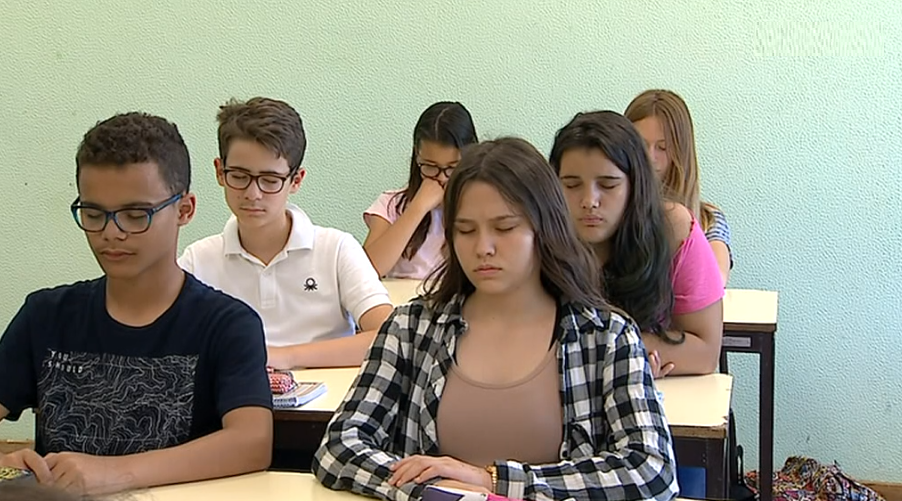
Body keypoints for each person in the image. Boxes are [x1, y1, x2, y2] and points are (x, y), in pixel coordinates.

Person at [314, 137, 678, 501]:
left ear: (545, 228)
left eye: (504, 228)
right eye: (465, 230)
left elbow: (652, 468)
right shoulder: (411, 328)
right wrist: (432, 489)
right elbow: (339, 447)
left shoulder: (605, 335)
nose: (483, 248)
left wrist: (492, 483)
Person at [0, 113, 273, 495]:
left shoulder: (226, 324)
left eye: (135, 215)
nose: (111, 233)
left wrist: (111, 473)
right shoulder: (46, 315)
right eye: (93, 214)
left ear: (184, 210)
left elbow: (252, 443)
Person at [179, 97, 393, 369]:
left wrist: (281, 356)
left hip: (327, 397)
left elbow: (389, 337)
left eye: (270, 180)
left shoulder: (336, 249)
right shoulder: (198, 260)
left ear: (296, 180)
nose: (253, 194)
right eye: (239, 176)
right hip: (234, 394)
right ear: (220, 172)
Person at [550, 110, 723, 378]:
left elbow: (706, 353)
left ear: (635, 185)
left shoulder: (674, 228)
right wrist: (625, 353)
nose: (589, 201)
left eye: (608, 185)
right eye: (572, 185)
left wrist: (626, 353)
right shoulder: (539, 236)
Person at [626, 89, 733, 283]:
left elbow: (715, 281)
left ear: (680, 152)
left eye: (662, 147)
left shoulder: (708, 220)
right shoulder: (610, 211)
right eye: (640, 145)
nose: (649, 157)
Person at [363, 101, 478, 279]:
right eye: (430, 166)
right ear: (417, 155)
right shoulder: (391, 204)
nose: (442, 178)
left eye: (452, 168)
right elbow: (365, 272)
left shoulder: (482, 207)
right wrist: (418, 208)